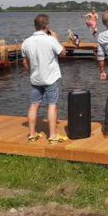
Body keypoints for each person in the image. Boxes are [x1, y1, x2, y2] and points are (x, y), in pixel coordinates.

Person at [21, 14, 67, 144]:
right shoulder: (50, 40)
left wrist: (31, 72)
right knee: (52, 105)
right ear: (47, 26)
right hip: (51, 78)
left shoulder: (26, 42)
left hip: (35, 79)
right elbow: (63, 53)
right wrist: (56, 39)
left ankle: (32, 134)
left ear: (35, 26)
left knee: (34, 105)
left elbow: (25, 63)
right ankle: (52, 136)